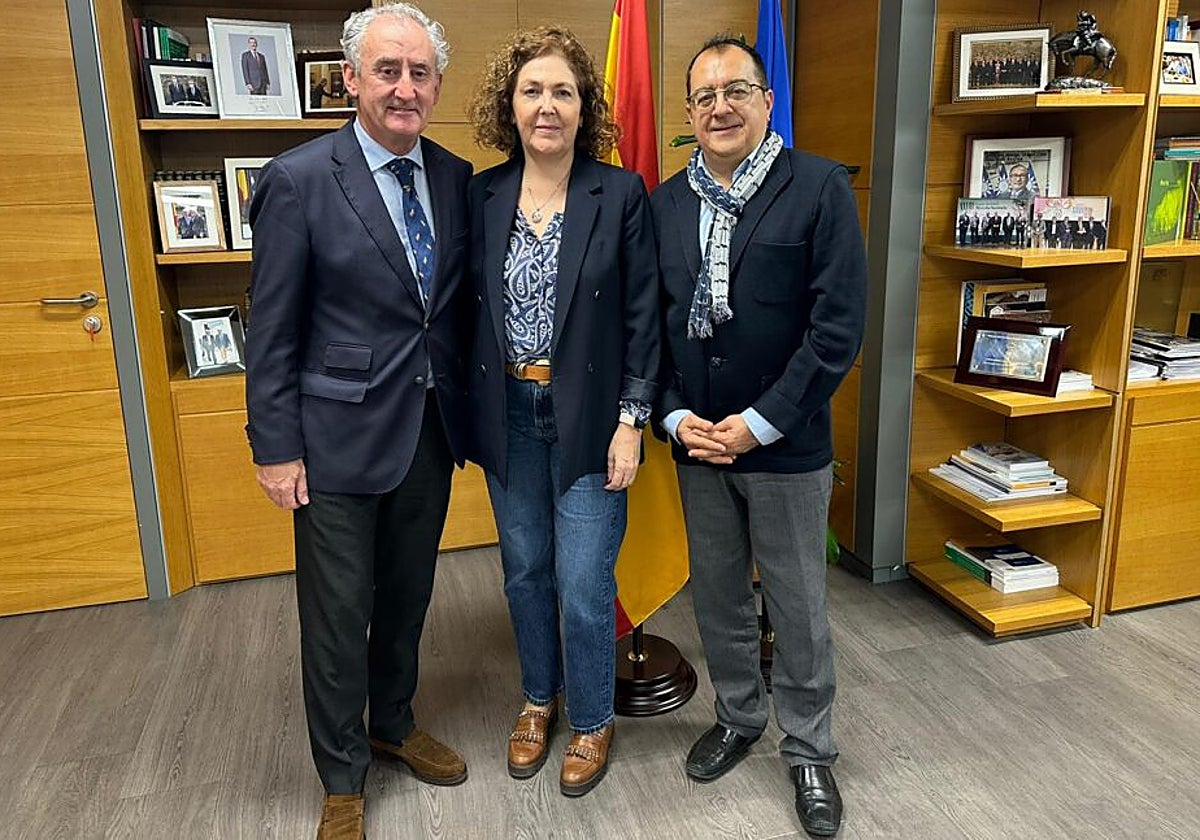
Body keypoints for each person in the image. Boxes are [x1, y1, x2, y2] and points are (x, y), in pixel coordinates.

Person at [244, 5, 472, 838]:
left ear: (437, 83)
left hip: (427, 431)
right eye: (388, 70)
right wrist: (275, 449)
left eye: (419, 73)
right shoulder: (300, 179)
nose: (405, 87)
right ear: (352, 79)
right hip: (333, 441)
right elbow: (270, 329)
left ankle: (393, 721)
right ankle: (341, 774)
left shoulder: (453, 176)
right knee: (339, 615)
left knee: (409, 596)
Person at [651, 35, 866, 838]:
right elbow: (655, 326)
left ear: (766, 101)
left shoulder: (816, 188)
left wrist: (760, 424)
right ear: (688, 113)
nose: (720, 107)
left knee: (798, 603)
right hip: (699, 442)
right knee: (717, 596)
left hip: (785, 443)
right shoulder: (665, 202)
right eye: (704, 96)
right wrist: (676, 419)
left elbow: (836, 327)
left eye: (736, 89)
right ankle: (740, 716)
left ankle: (809, 748)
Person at [466, 26, 658, 798]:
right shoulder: (480, 195)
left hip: (591, 419)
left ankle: (592, 718)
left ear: (586, 109)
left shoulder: (620, 194)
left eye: (564, 92)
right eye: (532, 91)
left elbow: (644, 317)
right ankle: (538, 700)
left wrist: (632, 421)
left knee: (582, 580)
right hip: (506, 409)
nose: (548, 106)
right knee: (524, 572)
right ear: (509, 107)